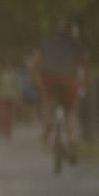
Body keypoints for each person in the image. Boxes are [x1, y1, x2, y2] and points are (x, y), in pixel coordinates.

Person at [28, 20, 87, 157]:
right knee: (71, 110)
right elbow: (84, 65)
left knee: (47, 101)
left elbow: (33, 64)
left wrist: (36, 81)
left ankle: (47, 129)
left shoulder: (47, 42)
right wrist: (84, 83)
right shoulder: (77, 44)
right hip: (70, 79)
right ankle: (72, 140)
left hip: (49, 78)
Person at [0, 62, 23, 139]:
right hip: (2, 96)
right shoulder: (1, 75)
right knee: (2, 115)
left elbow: (18, 87)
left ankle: (8, 133)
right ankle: (1, 132)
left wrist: (18, 96)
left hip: (12, 97)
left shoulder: (14, 76)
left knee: (10, 116)